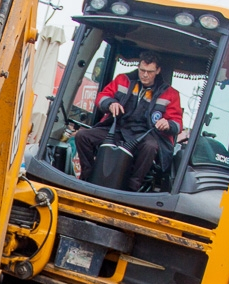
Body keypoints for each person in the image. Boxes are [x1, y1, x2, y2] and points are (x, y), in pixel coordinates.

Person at [74, 51, 183, 192]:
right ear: (138, 67)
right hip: (118, 128)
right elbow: (102, 97)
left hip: (146, 134)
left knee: (150, 147)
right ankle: (88, 176)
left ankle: (132, 188)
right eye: (142, 70)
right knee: (83, 136)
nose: (145, 75)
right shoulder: (122, 80)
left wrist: (168, 124)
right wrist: (110, 103)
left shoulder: (170, 94)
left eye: (149, 72)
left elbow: (177, 123)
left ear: (158, 71)